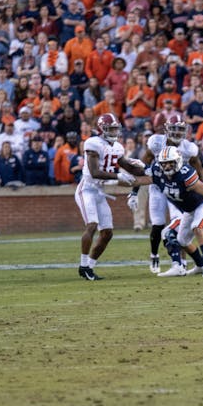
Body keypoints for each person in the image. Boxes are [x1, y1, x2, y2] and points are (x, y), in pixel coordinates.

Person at [144, 146, 203, 277]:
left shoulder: (185, 173)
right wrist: (123, 179)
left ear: (177, 161)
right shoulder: (157, 172)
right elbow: (141, 179)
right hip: (189, 211)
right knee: (182, 240)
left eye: (170, 163)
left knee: (198, 228)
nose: (166, 167)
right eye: (164, 164)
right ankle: (201, 265)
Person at [75, 113, 139, 281]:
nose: (113, 132)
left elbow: (126, 165)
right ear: (101, 129)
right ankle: (82, 264)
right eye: (110, 128)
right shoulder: (93, 143)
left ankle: (89, 267)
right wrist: (118, 176)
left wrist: (145, 169)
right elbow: (95, 172)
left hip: (100, 192)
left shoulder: (117, 147)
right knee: (92, 225)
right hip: (87, 189)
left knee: (108, 233)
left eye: (115, 128)